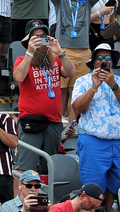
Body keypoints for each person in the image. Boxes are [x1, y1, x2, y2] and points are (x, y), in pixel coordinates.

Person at [72, 45, 120, 212]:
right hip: (94, 141)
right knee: (92, 186)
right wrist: (95, 86)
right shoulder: (83, 81)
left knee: (115, 185)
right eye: (99, 58)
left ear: (112, 63)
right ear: (93, 62)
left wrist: (112, 84)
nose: (103, 61)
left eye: (107, 59)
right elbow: (77, 108)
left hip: (119, 142)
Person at [13, 22, 73, 170]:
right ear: (28, 40)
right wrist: (30, 52)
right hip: (31, 120)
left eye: (43, 36)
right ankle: (20, 194)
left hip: (54, 121)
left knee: (50, 167)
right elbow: (19, 77)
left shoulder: (55, 59)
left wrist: (60, 52)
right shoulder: (21, 60)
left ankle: (46, 194)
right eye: (35, 37)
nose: (40, 40)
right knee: (25, 167)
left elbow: (70, 72)